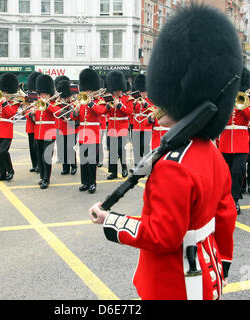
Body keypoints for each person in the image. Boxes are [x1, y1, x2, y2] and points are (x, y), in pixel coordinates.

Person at [89, 4, 239, 300]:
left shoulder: (174, 165)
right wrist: (222, 264)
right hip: (207, 275)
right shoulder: (210, 151)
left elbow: (162, 236)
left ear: (176, 95)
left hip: (172, 284)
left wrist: (110, 220)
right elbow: (226, 216)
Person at [219, 68, 250, 214]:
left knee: (237, 171)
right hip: (225, 140)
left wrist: (243, 105)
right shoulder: (225, 98)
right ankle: (223, 198)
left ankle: (234, 200)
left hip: (241, 142)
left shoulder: (246, 100)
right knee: (225, 173)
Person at [70, 68, 107, 194]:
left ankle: (92, 183)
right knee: (83, 159)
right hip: (82, 133)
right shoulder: (81, 101)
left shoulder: (98, 101)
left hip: (93, 133)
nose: (87, 92)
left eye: (89, 90)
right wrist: (75, 110)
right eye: (85, 90)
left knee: (92, 160)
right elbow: (74, 117)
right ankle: (85, 182)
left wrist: (91, 103)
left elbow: (101, 112)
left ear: (94, 89)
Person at [0, 73, 20, 182]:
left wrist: (5, 103)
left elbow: (10, 114)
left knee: (3, 151)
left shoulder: (14, 102)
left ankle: (10, 170)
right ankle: (2, 173)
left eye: (5, 92)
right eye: (3, 91)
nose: (4, 93)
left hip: (7, 129)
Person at [105, 70, 133, 179]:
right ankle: (113, 172)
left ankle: (124, 168)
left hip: (122, 125)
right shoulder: (110, 99)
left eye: (118, 90)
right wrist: (108, 106)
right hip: (112, 125)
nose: (117, 92)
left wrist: (120, 105)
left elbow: (130, 112)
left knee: (121, 148)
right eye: (115, 90)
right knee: (112, 149)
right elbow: (104, 112)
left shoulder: (127, 99)